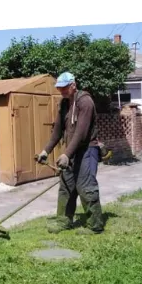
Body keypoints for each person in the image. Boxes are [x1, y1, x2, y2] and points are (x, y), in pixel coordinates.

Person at [35, 72, 104, 234]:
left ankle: (95, 225)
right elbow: (57, 131)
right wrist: (46, 150)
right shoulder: (64, 103)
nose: (62, 91)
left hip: (87, 149)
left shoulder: (85, 102)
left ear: (73, 85)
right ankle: (64, 221)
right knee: (66, 186)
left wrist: (67, 154)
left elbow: (81, 133)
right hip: (70, 151)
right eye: (59, 88)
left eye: (64, 87)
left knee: (86, 187)